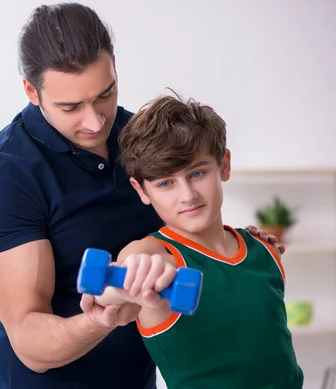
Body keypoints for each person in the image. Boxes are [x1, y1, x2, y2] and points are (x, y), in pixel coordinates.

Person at [0, 2, 284, 389]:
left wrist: (233, 248)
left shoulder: (137, 137)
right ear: (32, 90)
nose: (95, 121)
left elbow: (185, 215)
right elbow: (30, 342)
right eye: (71, 107)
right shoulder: (1, 181)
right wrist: (101, 319)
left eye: (105, 94)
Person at [94, 91, 304, 388]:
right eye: (166, 183)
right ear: (141, 190)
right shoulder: (156, 256)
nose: (187, 195)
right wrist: (135, 275)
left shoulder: (263, 250)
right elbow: (115, 285)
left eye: (197, 173)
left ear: (224, 165)